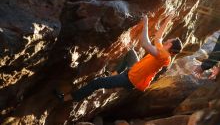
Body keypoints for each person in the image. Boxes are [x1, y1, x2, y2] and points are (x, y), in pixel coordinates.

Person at [54, 15, 183, 102]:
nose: (167, 39)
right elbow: (158, 38)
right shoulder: (164, 52)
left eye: (169, 40)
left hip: (130, 80)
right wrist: (167, 20)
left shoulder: (164, 56)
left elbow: (145, 44)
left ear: (170, 45)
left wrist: (146, 24)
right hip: (134, 69)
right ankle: (114, 73)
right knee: (130, 53)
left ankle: (67, 98)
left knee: (96, 83)